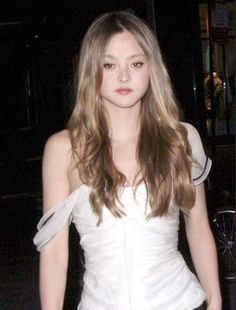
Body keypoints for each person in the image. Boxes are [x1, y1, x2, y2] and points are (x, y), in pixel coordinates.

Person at [33, 10, 222, 310]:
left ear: (151, 69)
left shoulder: (182, 139)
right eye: (109, 65)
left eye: (136, 63)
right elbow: (55, 252)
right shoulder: (63, 148)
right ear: (91, 70)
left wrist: (215, 301)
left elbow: (197, 224)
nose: (124, 76)